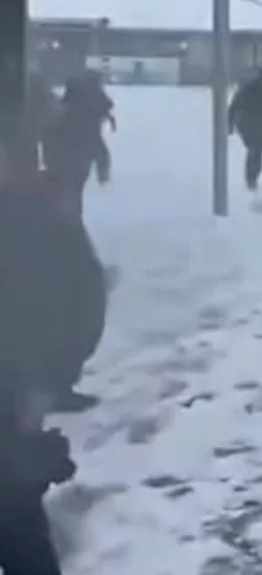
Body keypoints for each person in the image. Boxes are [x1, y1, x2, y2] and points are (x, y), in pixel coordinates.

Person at [0, 131, 90, 574]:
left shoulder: (38, 219)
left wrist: (48, 382)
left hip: (11, 400)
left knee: (16, 527)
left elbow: (82, 300)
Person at [43, 71, 114, 218]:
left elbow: (50, 135)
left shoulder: (65, 110)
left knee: (66, 192)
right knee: (73, 192)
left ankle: (68, 219)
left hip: (64, 160)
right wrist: (103, 167)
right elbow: (96, 142)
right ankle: (71, 218)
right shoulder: (90, 105)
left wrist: (49, 161)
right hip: (79, 160)